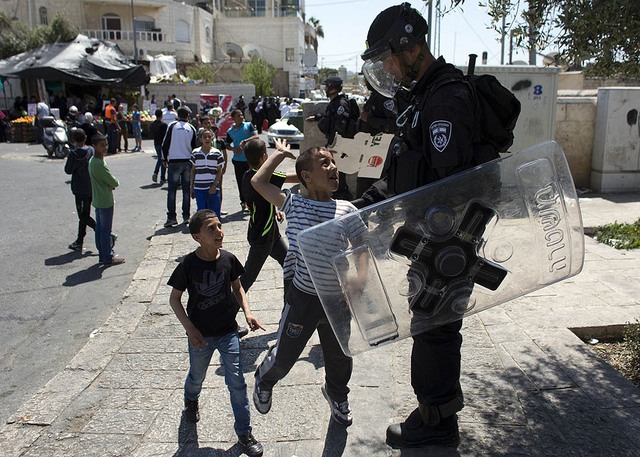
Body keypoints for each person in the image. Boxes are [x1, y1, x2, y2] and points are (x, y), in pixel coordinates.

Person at [359, 3, 478, 449]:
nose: (386, 69)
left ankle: (437, 422)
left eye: (387, 58)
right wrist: (360, 205)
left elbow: (450, 184)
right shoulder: (422, 99)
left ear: (409, 49)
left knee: (436, 332)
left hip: (447, 242)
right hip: (429, 241)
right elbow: (406, 174)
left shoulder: (446, 97)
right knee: (430, 328)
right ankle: (433, 412)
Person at [251, 139, 367, 427]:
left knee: (340, 356)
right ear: (306, 175)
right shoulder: (294, 204)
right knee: (284, 357)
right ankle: (265, 379)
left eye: (334, 163)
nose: (334, 168)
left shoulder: (346, 209)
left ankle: (337, 394)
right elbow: (258, 181)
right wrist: (279, 155)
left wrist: (361, 277)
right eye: (325, 163)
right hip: (303, 298)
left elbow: (363, 245)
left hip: (337, 299)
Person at [168, 209, 265, 457]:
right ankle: (191, 399)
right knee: (197, 377)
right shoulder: (188, 265)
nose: (218, 231)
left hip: (227, 332)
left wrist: (247, 312)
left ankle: (244, 433)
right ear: (197, 237)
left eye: (219, 226)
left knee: (237, 382)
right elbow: (175, 299)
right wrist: (190, 329)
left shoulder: (229, 259)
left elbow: (238, 287)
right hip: (200, 335)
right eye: (211, 228)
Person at [240, 139, 298, 293]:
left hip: (270, 233)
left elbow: (261, 199)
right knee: (247, 278)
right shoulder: (263, 178)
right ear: (264, 156)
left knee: (290, 265)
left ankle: (291, 301)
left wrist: (274, 209)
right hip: (263, 237)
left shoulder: (247, 176)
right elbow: (296, 178)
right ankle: (226, 308)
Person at [307, 76, 355, 200]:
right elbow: (330, 117)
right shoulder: (334, 103)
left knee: (339, 171)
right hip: (335, 142)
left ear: (333, 88)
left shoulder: (341, 103)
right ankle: (340, 193)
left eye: (328, 86)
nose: (326, 89)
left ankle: (343, 195)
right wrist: (317, 117)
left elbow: (341, 125)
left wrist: (335, 142)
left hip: (339, 144)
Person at [89, 133, 125, 266]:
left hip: (99, 199)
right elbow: (114, 182)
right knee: (105, 230)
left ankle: (103, 255)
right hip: (104, 200)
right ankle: (107, 257)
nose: (104, 148)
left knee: (100, 229)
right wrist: (111, 184)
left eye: (105, 145)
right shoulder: (98, 163)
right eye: (101, 145)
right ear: (94, 146)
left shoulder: (95, 161)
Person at [162, 107, 198, 227]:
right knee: (186, 190)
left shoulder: (172, 126)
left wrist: (164, 158)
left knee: (171, 191)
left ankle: (171, 217)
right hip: (187, 161)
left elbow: (165, 143)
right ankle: (186, 216)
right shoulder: (191, 128)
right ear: (188, 115)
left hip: (173, 161)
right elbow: (195, 147)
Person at [65, 128, 96, 251]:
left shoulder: (73, 154)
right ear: (86, 137)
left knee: (83, 216)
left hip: (79, 189)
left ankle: (104, 232)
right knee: (85, 214)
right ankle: (79, 240)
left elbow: (68, 170)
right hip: (90, 186)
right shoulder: (91, 150)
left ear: (73, 140)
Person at [225, 109, 259, 212]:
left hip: (250, 159)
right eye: (238, 115)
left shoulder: (248, 125)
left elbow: (256, 136)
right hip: (238, 160)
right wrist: (233, 149)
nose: (241, 117)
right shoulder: (230, 131)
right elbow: (227, 144)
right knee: (241, 182)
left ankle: (254, 202)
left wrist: (245, 141)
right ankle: (244, 202)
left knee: (253, 181)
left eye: (241, 115)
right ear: (233, 118)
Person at [190, 129, 224, 216]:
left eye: (209, 137)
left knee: (215, 212)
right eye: (204, 137)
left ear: (212, 138)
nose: (207, 139)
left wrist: (215, 185)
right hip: (199, 188)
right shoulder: (195, 153)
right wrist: (192, 187)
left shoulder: (217, 153)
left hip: (212, 188)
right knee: (202, 213)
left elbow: (219, 171)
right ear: (200, 139)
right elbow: (193, 170)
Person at [151, 109, 168, 184]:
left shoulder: (153, 124)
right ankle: (161, 176)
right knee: (162, 159)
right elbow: (165, 136)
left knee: (160, 158)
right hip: (162, 144)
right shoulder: (163, 125)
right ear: (161, 115)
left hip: (156, 143)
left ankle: (159, 175)